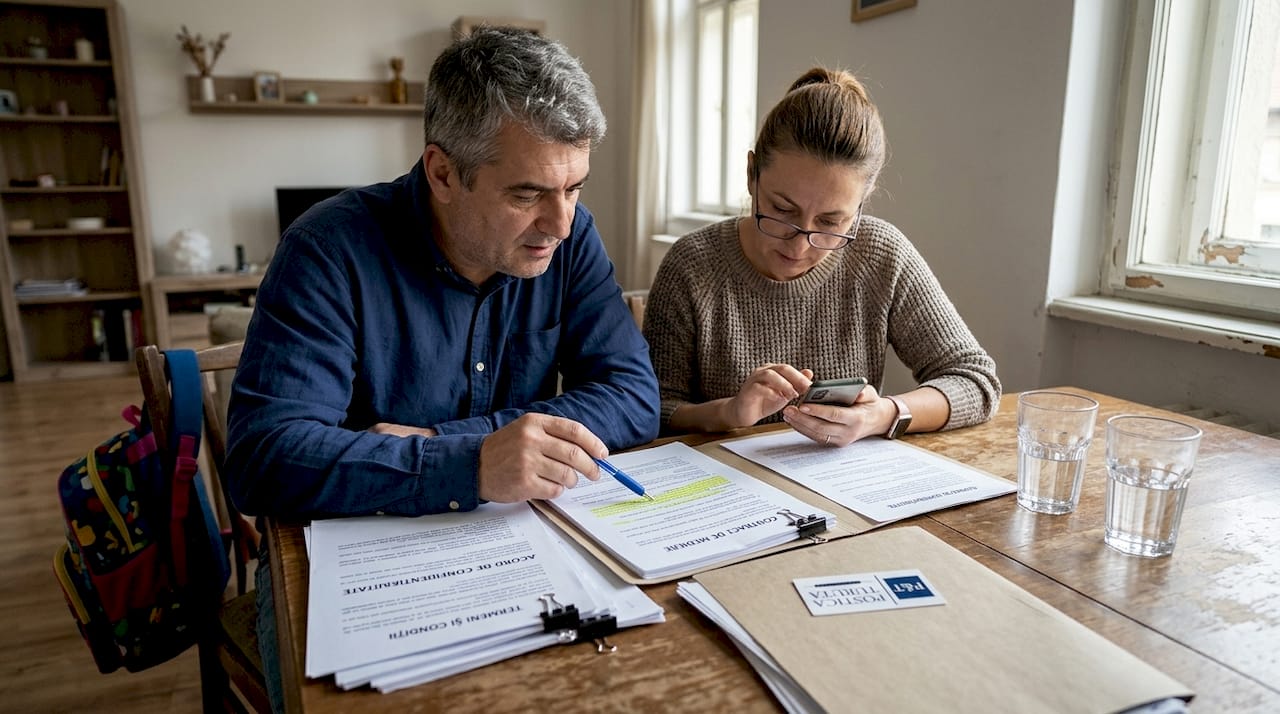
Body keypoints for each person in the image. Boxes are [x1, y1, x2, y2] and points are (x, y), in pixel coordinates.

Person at [225, 28, 659, 711]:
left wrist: (455, 445)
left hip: (516, 549)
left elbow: (634, 394)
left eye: (574, 187)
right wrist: (470, 465)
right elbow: (264, 456)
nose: (562, 223)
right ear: (443, 173)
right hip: (355, 570)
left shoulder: (571, 242)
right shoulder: (326, 251)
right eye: (527, 194)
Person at [643, 67, 1000, 446]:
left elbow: (975, 380)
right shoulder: (692, 265)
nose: (799, 246)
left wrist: (882, 414)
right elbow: (653, 410)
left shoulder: (880, 255)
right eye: (782, 211)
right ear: (752, 175)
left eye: (831, 222)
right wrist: (729, 412)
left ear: (862, 203)